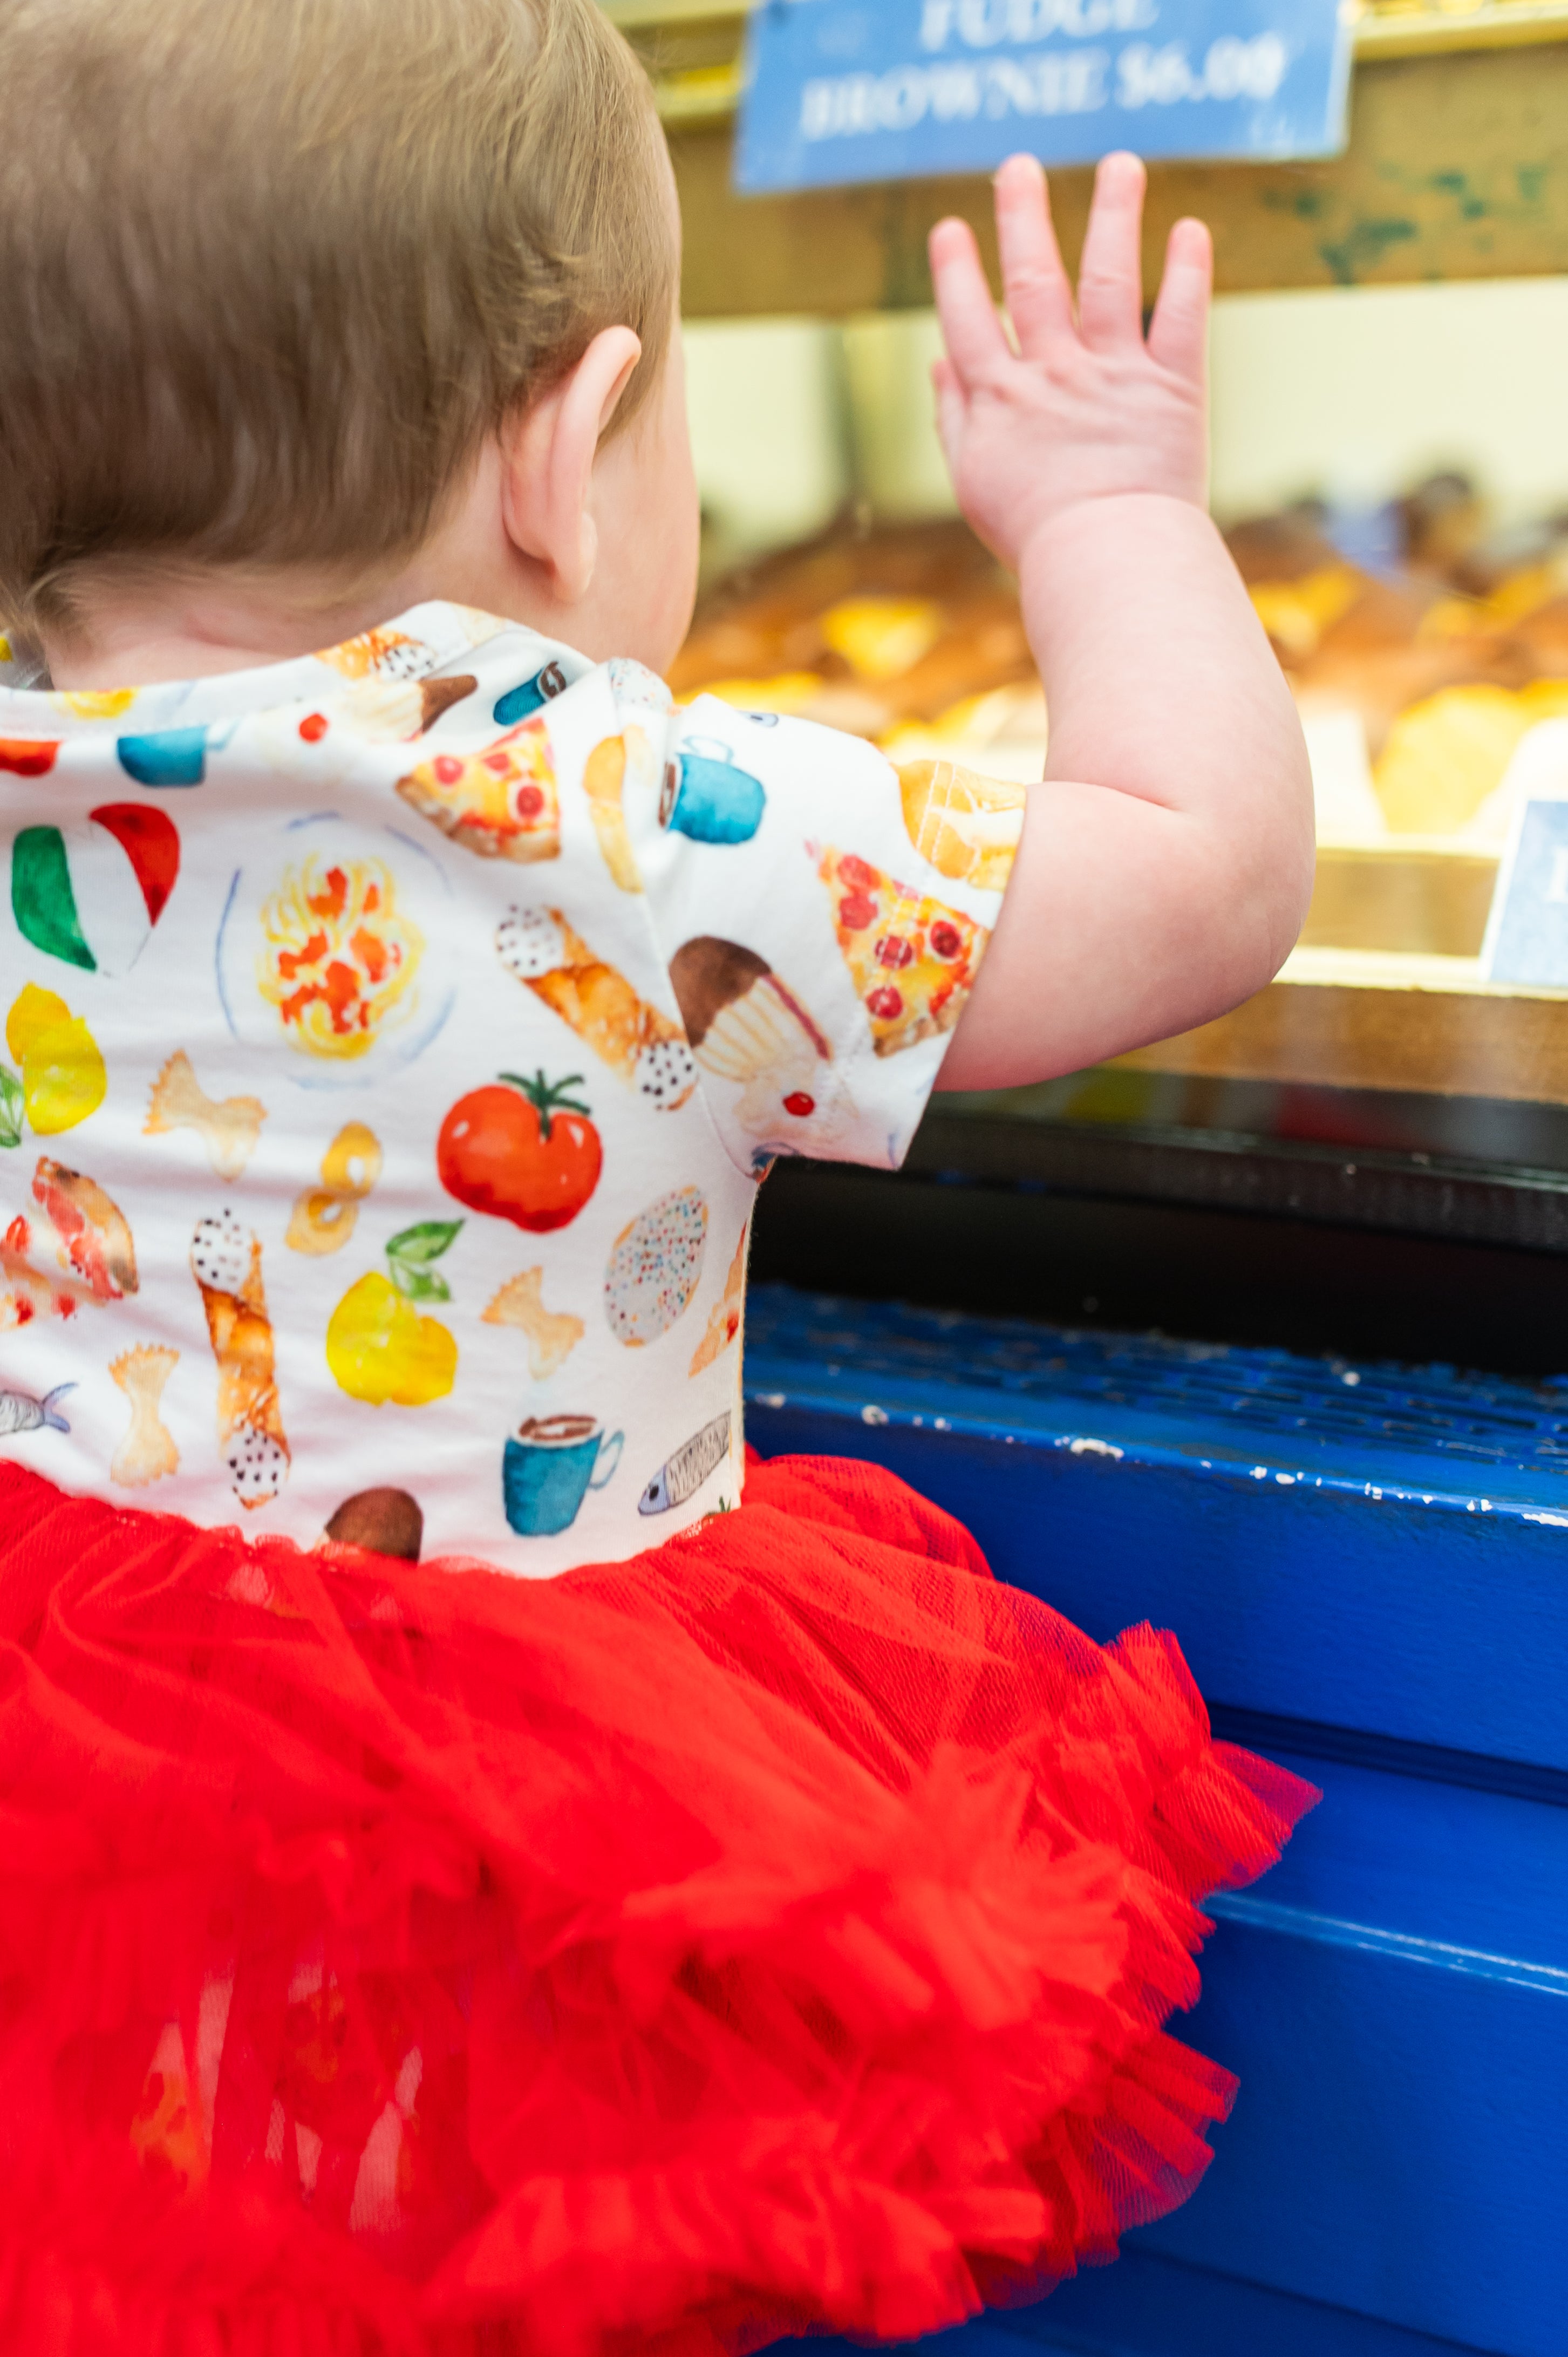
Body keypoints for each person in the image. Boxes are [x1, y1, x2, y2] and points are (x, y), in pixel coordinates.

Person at [0, 0, 1317, 2347]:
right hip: (540, 1886)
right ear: (571, 457)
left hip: (93, 1852)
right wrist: (1105, 507)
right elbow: (1204, 880)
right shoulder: (628, 816)